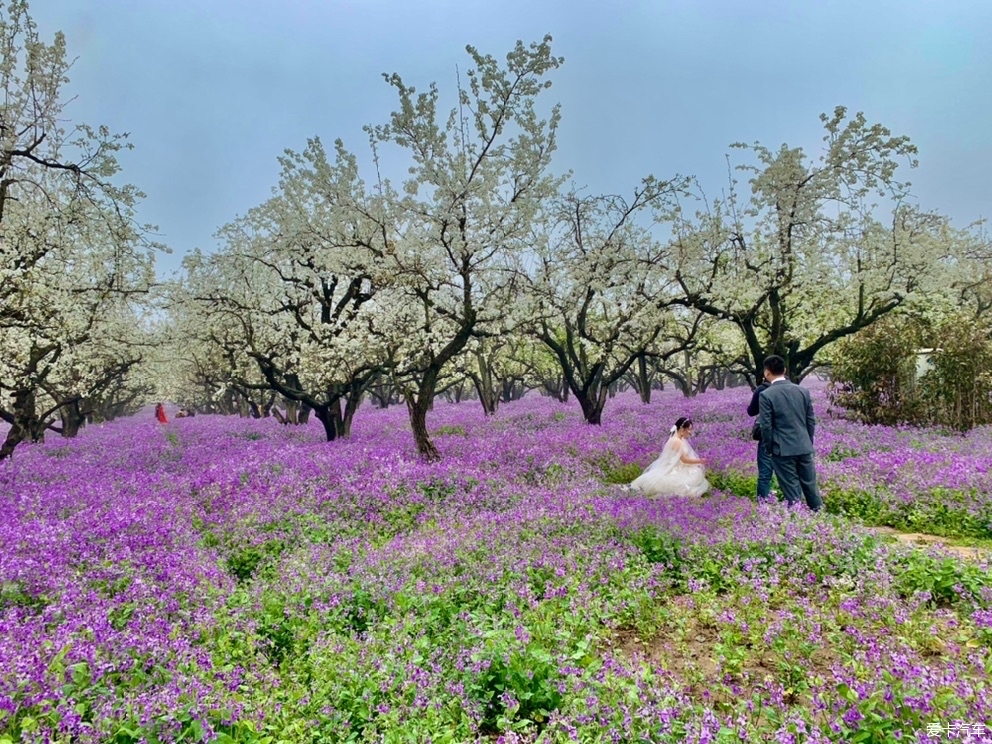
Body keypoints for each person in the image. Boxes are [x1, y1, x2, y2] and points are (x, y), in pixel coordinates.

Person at [757, 355, 822, 511]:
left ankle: (797, 520)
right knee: (810, 485)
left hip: (782, 449)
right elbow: (810, 421)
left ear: (767, 373)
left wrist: (769, 448)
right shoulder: (802, 391)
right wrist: (808, 442)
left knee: (791, 488)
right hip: (804, 446)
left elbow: (766, 426)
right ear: (785, 370)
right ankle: (818, 514)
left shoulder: (766, 395)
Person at [629, 417, 710, 497]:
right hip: (676, 468)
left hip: (679, 466)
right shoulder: (677, 441)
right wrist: (700, 461)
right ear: (682, 429)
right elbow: (684, 460)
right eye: (689, 429)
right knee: (687, 482)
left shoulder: (678, 439)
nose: (690, 432)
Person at [747, 379, 775, 500]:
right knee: (790, 475)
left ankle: (763, 504)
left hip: (767, 435)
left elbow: (751, 411)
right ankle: (794, 506)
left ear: (767, 372)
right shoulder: (794, 389)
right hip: (789, 437)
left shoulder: (762, 390)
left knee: (765, 474)